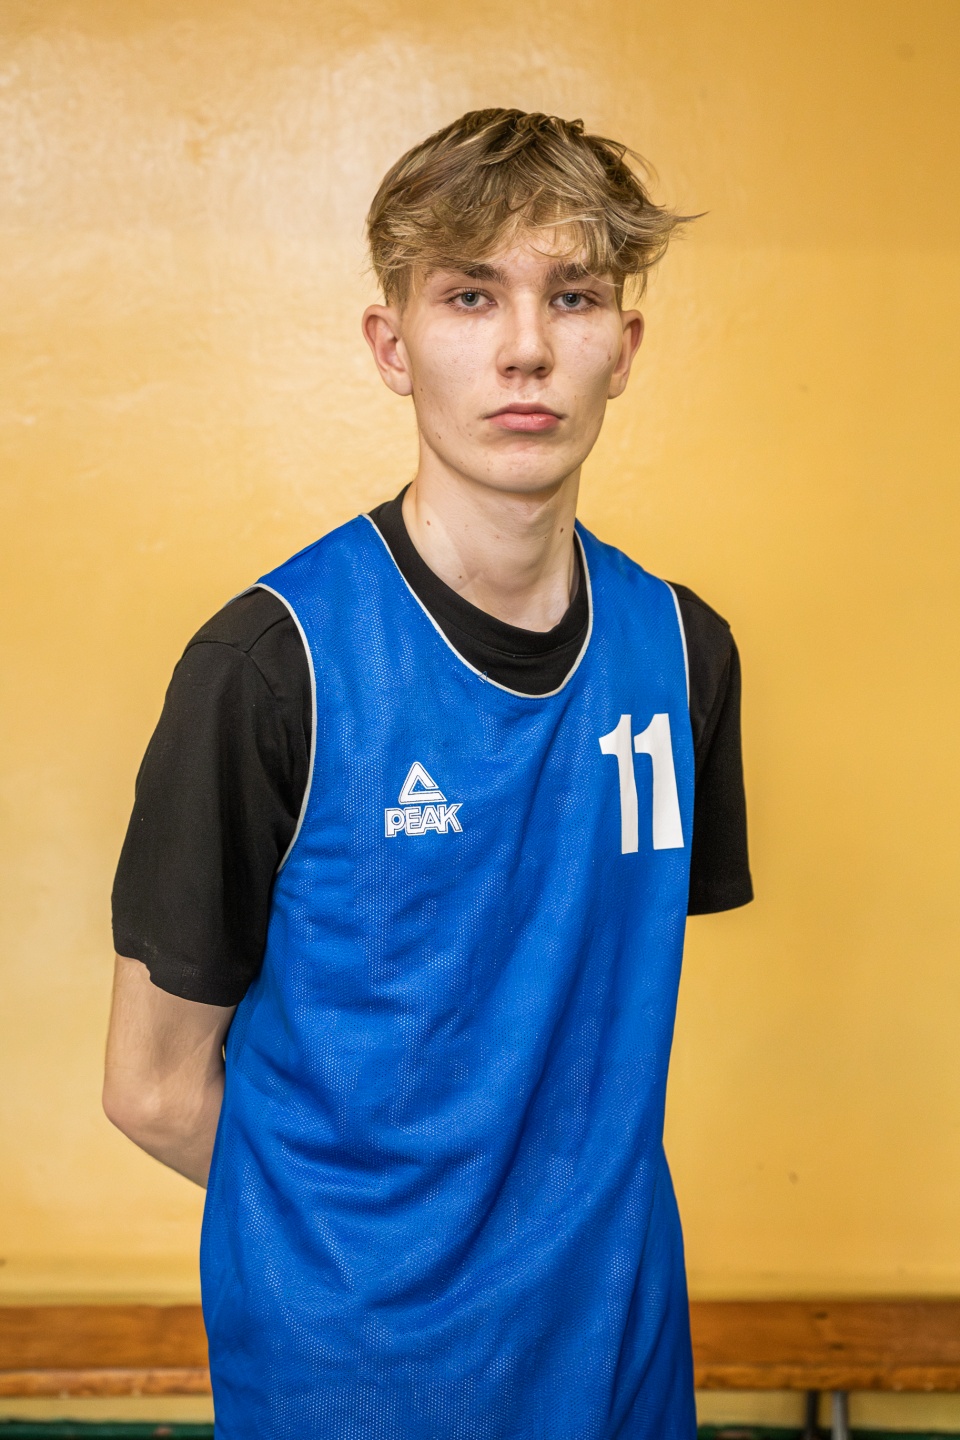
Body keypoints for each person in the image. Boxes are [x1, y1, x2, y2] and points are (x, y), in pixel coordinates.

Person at [104, 108, 752, 1439]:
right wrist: (380, 1255)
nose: (526, 348)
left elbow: (578, 1030)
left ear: (624, 348)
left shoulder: (683, 653)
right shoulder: (270, 667)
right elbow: (154, 1089)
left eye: (572, 296)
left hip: (618, 1353)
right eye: (470, 296)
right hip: (355, 1374)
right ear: (392, 345)